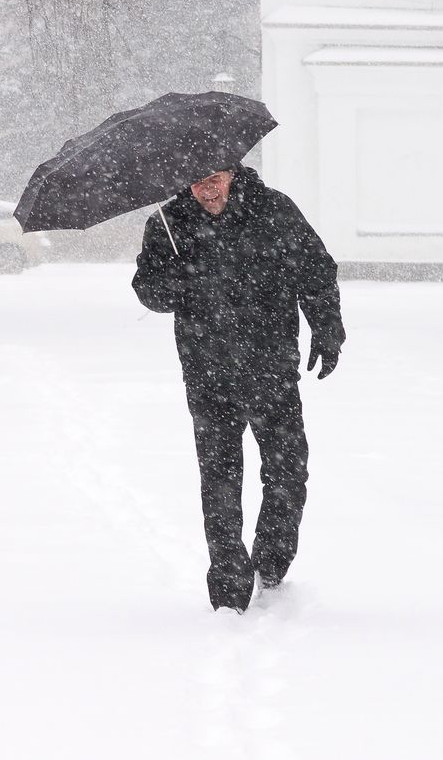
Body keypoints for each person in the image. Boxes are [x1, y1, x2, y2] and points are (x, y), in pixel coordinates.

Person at [132, 165, 345, 612]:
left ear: (232, 173)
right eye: (194, 181)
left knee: (288, 472)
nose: (206, 190)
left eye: (214, 178)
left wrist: (327, 327)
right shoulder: (168, 224)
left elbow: (315, 269)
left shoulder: (274, 211)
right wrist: (170, 283)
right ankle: (229, 587)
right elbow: (149, 290)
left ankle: (270, 561)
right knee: (220, 480)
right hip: (207, 370)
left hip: (270, 368)